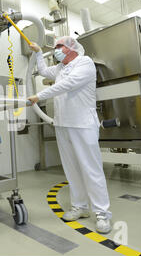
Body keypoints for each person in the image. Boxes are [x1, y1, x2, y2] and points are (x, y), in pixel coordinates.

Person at [28, 36, 112, 234]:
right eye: (55, 46)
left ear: (71, 48)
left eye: (59, 46)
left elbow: (69, 84)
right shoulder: (59, 68)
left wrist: (39, 96)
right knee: (71, 169)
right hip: (63, 124)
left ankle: (102, 214)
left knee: (91, 169)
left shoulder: (84, 63)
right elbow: (42, 71)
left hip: (82, 124)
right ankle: (80, 207)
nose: (56, 50)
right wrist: (39, 53)